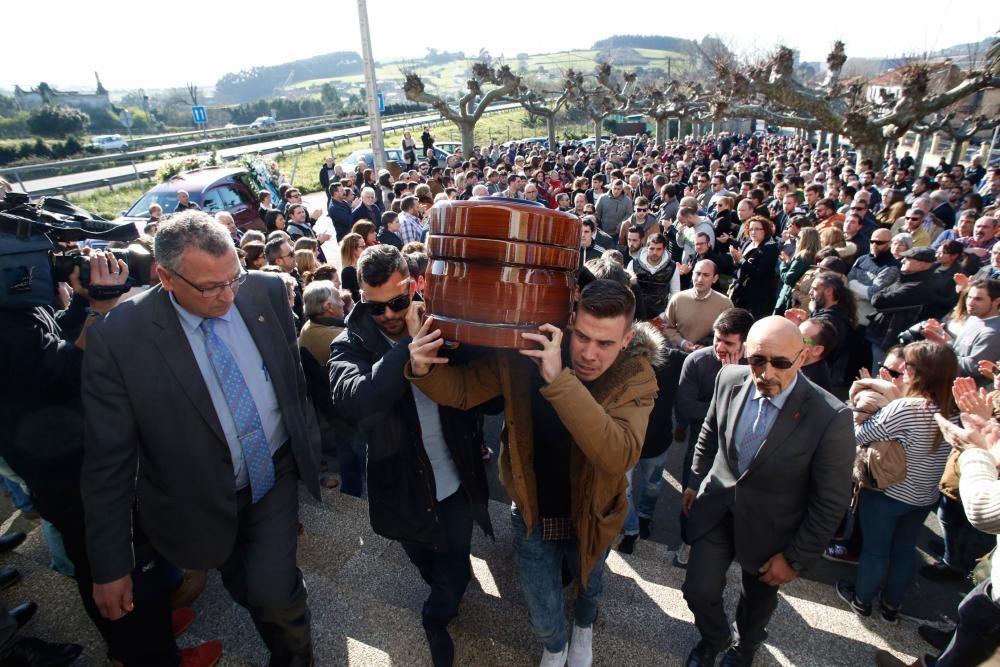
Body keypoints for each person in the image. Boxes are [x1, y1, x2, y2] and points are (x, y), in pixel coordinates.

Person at [81, 212, 321, 667]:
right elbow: (107, 462)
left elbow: (291, 382)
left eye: (233, 278)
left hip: (274, 473)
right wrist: (112, 565)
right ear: (166, 277)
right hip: (199, 497)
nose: (228, 295)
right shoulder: (120, 339)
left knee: (273, 594)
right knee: (247, 586)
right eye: (211, 288)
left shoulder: (265, 290)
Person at [407, 279, 659, 667]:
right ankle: (555, 646)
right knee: (541, 611)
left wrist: (560, 380)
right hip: (532, 510)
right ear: (571, 321)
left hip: (593, 512)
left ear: (626, 340)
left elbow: (618, 453)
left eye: (606, 344)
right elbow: (463, 390)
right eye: (583, 337)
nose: (590, 354)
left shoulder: (636, 374)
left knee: (590, 584)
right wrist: (423, 369)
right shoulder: (528, 351)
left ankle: (584, 628)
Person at [328, 246, 493, 667]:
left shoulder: (444, 324)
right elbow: (356, 400)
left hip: (455, 476)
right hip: (399, 484)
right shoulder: (349, 342)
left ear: (414, 286)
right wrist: (406, 352)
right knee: (423, 557)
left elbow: (488, 398)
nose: (387, 314)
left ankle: (437, 615)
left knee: (454, 565)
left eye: (398, 303)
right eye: (374, 305)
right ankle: (444, 591)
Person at [681, 316, 855, 666]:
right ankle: (714, 639)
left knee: (756, 604)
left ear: (802, 359)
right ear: (746, 353)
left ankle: (745, 647)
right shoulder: (728, 379)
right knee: (697, 591)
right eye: (758, 360)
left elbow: (831, 500)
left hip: (772, 531)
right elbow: (710, 431)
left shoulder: (831, 417)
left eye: (780, 363)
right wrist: (694, 480)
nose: (766, 372)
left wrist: (795, 558)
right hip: (716, 510)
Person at [836, 342, 959, 624]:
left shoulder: (907, 408)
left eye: (910, 365)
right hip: (924, 497)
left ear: (923, 373)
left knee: (876, 550)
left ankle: (862, 600)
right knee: (904, 552)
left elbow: (859, 434)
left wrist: (867, 402)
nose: (903, 369)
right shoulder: (955, 411)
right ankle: (892, 606)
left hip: (887, 494)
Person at [662, 260, 733, 352]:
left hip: (709, 358)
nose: (700, 279)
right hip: (679, 356)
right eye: (697, 274)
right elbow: (667, 327)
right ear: (692, 275)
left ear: (715, 278)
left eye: (706, 275)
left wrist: (708, 347)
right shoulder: (677, 299)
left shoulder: (725, 304)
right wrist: (682, 343)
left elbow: (729, 334)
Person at [728, 216, 780, 321]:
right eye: (751, 229)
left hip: (759, 298)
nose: (753, 232)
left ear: (765, 230)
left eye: (757, 229)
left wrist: (741, 260)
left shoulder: (770, 248)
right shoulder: (748, 243)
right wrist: (736, 259)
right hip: (742, 294)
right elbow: (740, 266)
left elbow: (759, 273)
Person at [630, 232, 680, 320]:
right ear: (646, 248)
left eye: (659, 249)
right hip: (635, 312)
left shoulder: (672, 267)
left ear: (664, 249)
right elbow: (627, 289)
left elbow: (675, 293)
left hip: (660, 314)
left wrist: (665, 314)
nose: (655, 252)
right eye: (652, 248)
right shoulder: (633, 264)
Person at [774, 227, 820, 315]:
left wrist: (783, 264)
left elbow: (788, 279)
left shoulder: (803, 256)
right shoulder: (814, 256)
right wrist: (788, 263)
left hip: (791, 295)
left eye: (799, 237)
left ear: (806, 240)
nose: (796, 240)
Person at [339, 232, 365, 303]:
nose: (365, 249)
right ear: (352, 250)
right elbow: (351, 297)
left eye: (364, 246)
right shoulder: (348, 272)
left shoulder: (364, 264)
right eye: (362, 247)